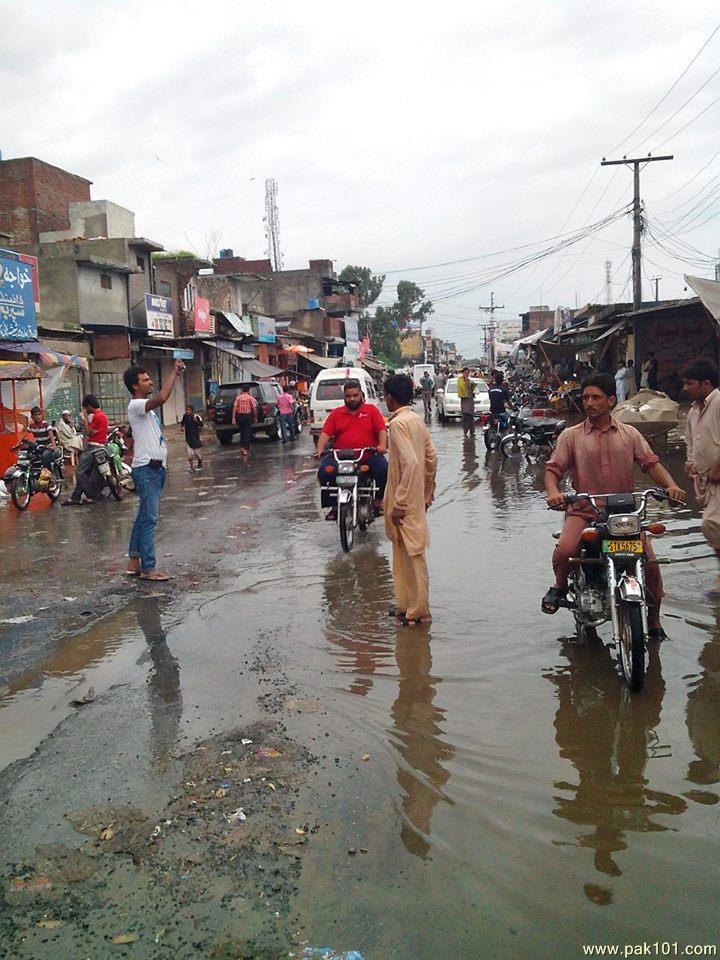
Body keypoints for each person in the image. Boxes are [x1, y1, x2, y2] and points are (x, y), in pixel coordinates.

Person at [541, 374, 685, 636]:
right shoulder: (571, 436)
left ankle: (654, 622)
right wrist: (553, 492)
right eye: (585, 398)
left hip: (623, 512)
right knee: (565, 550)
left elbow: (651, 463)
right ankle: (559, 586)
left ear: (611, 401)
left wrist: (671, 486)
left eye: (596, 397)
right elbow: (553, 470)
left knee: (649, 564)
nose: (589, 403)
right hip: (584, 510)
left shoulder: (630, 434)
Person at [383, 374, 438, 626]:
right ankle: (406, 605)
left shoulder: (397, 424)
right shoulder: (416, 419)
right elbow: (431, 457)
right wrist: (426, 491)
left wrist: (400, 502)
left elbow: (412, 462)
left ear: (389, 397)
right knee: (406, 552)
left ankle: (417, 611)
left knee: (411, 555)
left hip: (403, 499)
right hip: (415, 497)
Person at [123, 360, 184, 581]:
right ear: (135, 386)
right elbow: (161, 398)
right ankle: (148, 568)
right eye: (145, 380)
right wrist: (174, 372)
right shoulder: (136, 405)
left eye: (149, 379)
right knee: (149, 519)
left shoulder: (145, 411)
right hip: (147, 469)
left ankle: (134, 560)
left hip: (155, 469)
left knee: (143, 516)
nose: (150, 382)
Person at [315, 379, 388, 520]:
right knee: (324, 471)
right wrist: (320, 449)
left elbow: (381, 430)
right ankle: (334, 506)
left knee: (383, 468)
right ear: (344, 397)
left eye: (355, 395)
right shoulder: (336, 413)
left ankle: (378, 502)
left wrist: (382, 446)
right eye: (348, 396)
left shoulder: (371, 410)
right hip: (341, 457)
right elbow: (325, 433)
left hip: (368, 455)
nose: (352, 399)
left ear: (361, 395)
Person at [681, 359, 720, 596]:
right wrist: (691, 465)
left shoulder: (718, 403)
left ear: (706, 383)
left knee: (711, 524)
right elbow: (691, 441)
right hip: (707, 482)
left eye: (690, 383)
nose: (685, 388)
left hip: (718, 478)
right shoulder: (693, 411)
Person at [62, 395, 110, 506]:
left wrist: (85, 419)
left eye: (85, 408)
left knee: (79, 472)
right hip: (99, 447)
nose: (85, 410)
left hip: (94, 448)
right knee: (85, 472)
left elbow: (88, 432)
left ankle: (92, 495)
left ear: (89, 406)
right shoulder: (102, 415)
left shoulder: (97, 416)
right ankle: (75, 497)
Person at [232, 385, 257, 456]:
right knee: (247, 432)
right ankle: (246, 449)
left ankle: (242, 447)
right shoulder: (250, 398)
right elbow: (254, 408)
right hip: (247, 416)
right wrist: (255, 417)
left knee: (242, 432)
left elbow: (235, 407)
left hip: (240, 416)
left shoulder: (238, 397)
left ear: (242, 390)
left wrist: (233, 418)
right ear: (248, 390)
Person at [180, 404, 203, 471]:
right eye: (186, 410)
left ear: (192, 411)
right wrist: (181, 427)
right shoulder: (185, 416)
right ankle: (192, 467)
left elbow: (201, 424)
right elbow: (182, 423)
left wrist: (196, 421)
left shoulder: (196, 416)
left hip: (195, 438)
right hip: (188, 438)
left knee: (198, 453)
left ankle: (200, 461)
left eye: (189, 410)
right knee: (189, 454)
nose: (187, 411)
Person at [457, 367, 477, 437]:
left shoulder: (470, 381)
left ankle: (472, 431)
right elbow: (462, 387)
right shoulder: (460, 380)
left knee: (471, 415)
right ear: (463, 373)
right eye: (465, 372)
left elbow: (473, 387)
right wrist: (464, 380)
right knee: (465, 414)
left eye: (468, 372)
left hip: (470, 399)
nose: (466, 374)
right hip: (464, 399)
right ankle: (465, 431)